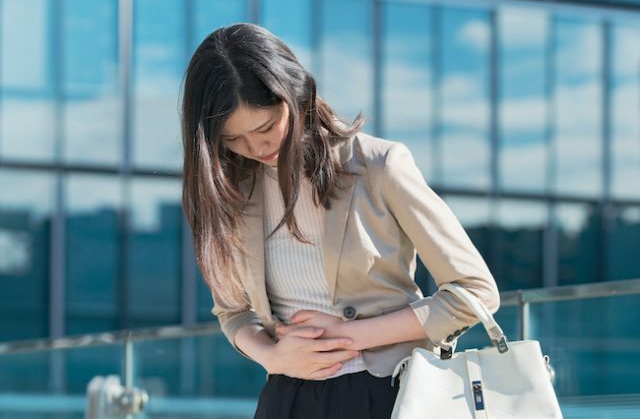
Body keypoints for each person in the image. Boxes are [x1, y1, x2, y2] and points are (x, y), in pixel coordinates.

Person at [180, 22, 500, 419]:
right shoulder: (232, 190)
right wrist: (273, 357)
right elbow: (232, 312)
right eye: (233, 140)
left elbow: (475, 293)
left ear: (296, 95)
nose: (256, 147)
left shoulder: (378, 166)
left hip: (390, 394)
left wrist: (351, 336)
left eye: (266, 127)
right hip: (287, 397)